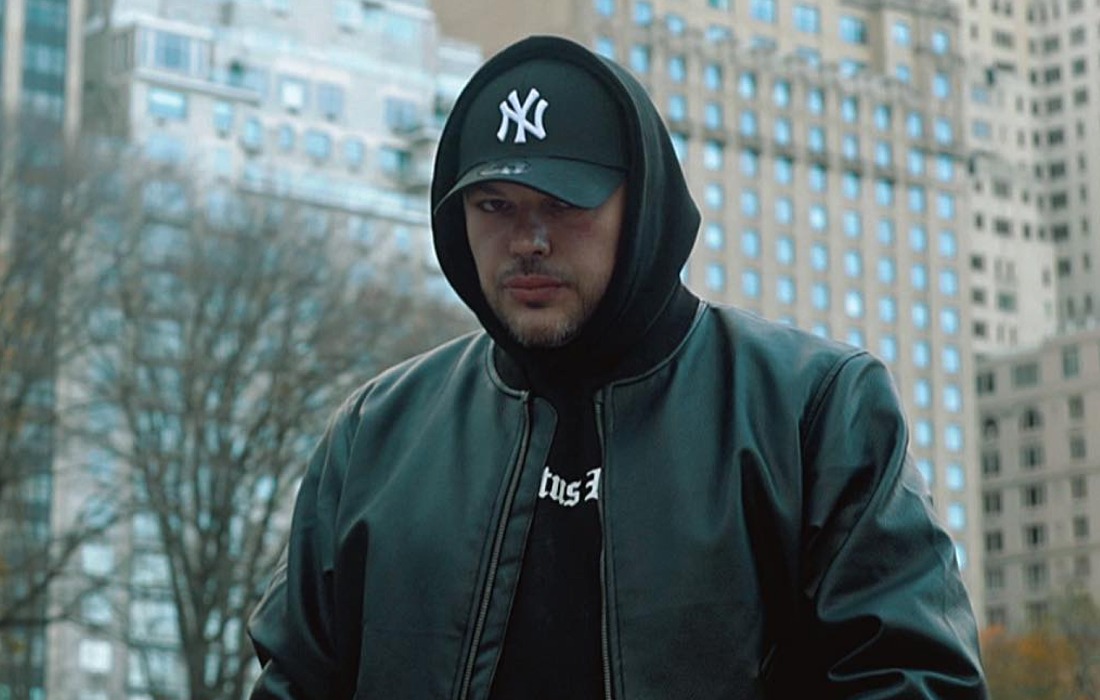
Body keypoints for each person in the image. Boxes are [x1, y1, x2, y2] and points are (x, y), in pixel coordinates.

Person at [247, 34, 988, 699]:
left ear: (642, 206)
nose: (528, 240)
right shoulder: (375, 438)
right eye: (495, 206)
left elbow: (914, 678)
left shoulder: (814, 412)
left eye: (564, 203)